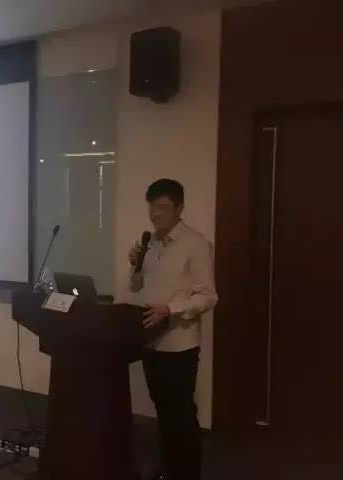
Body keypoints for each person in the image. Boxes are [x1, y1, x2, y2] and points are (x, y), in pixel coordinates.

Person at [129, 179, 218, 480]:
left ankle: (187, 473)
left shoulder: (196, 244)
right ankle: (170, 468)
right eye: (151, 207)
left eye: (162, 207)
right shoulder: (149, 243)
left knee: (181, 415)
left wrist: (170, 309)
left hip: (179, 344)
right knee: (163, 410)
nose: (155, 214)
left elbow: (208, 296)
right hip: (150, 341)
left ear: (179, 208)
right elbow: (136, 287)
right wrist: (135, 266)